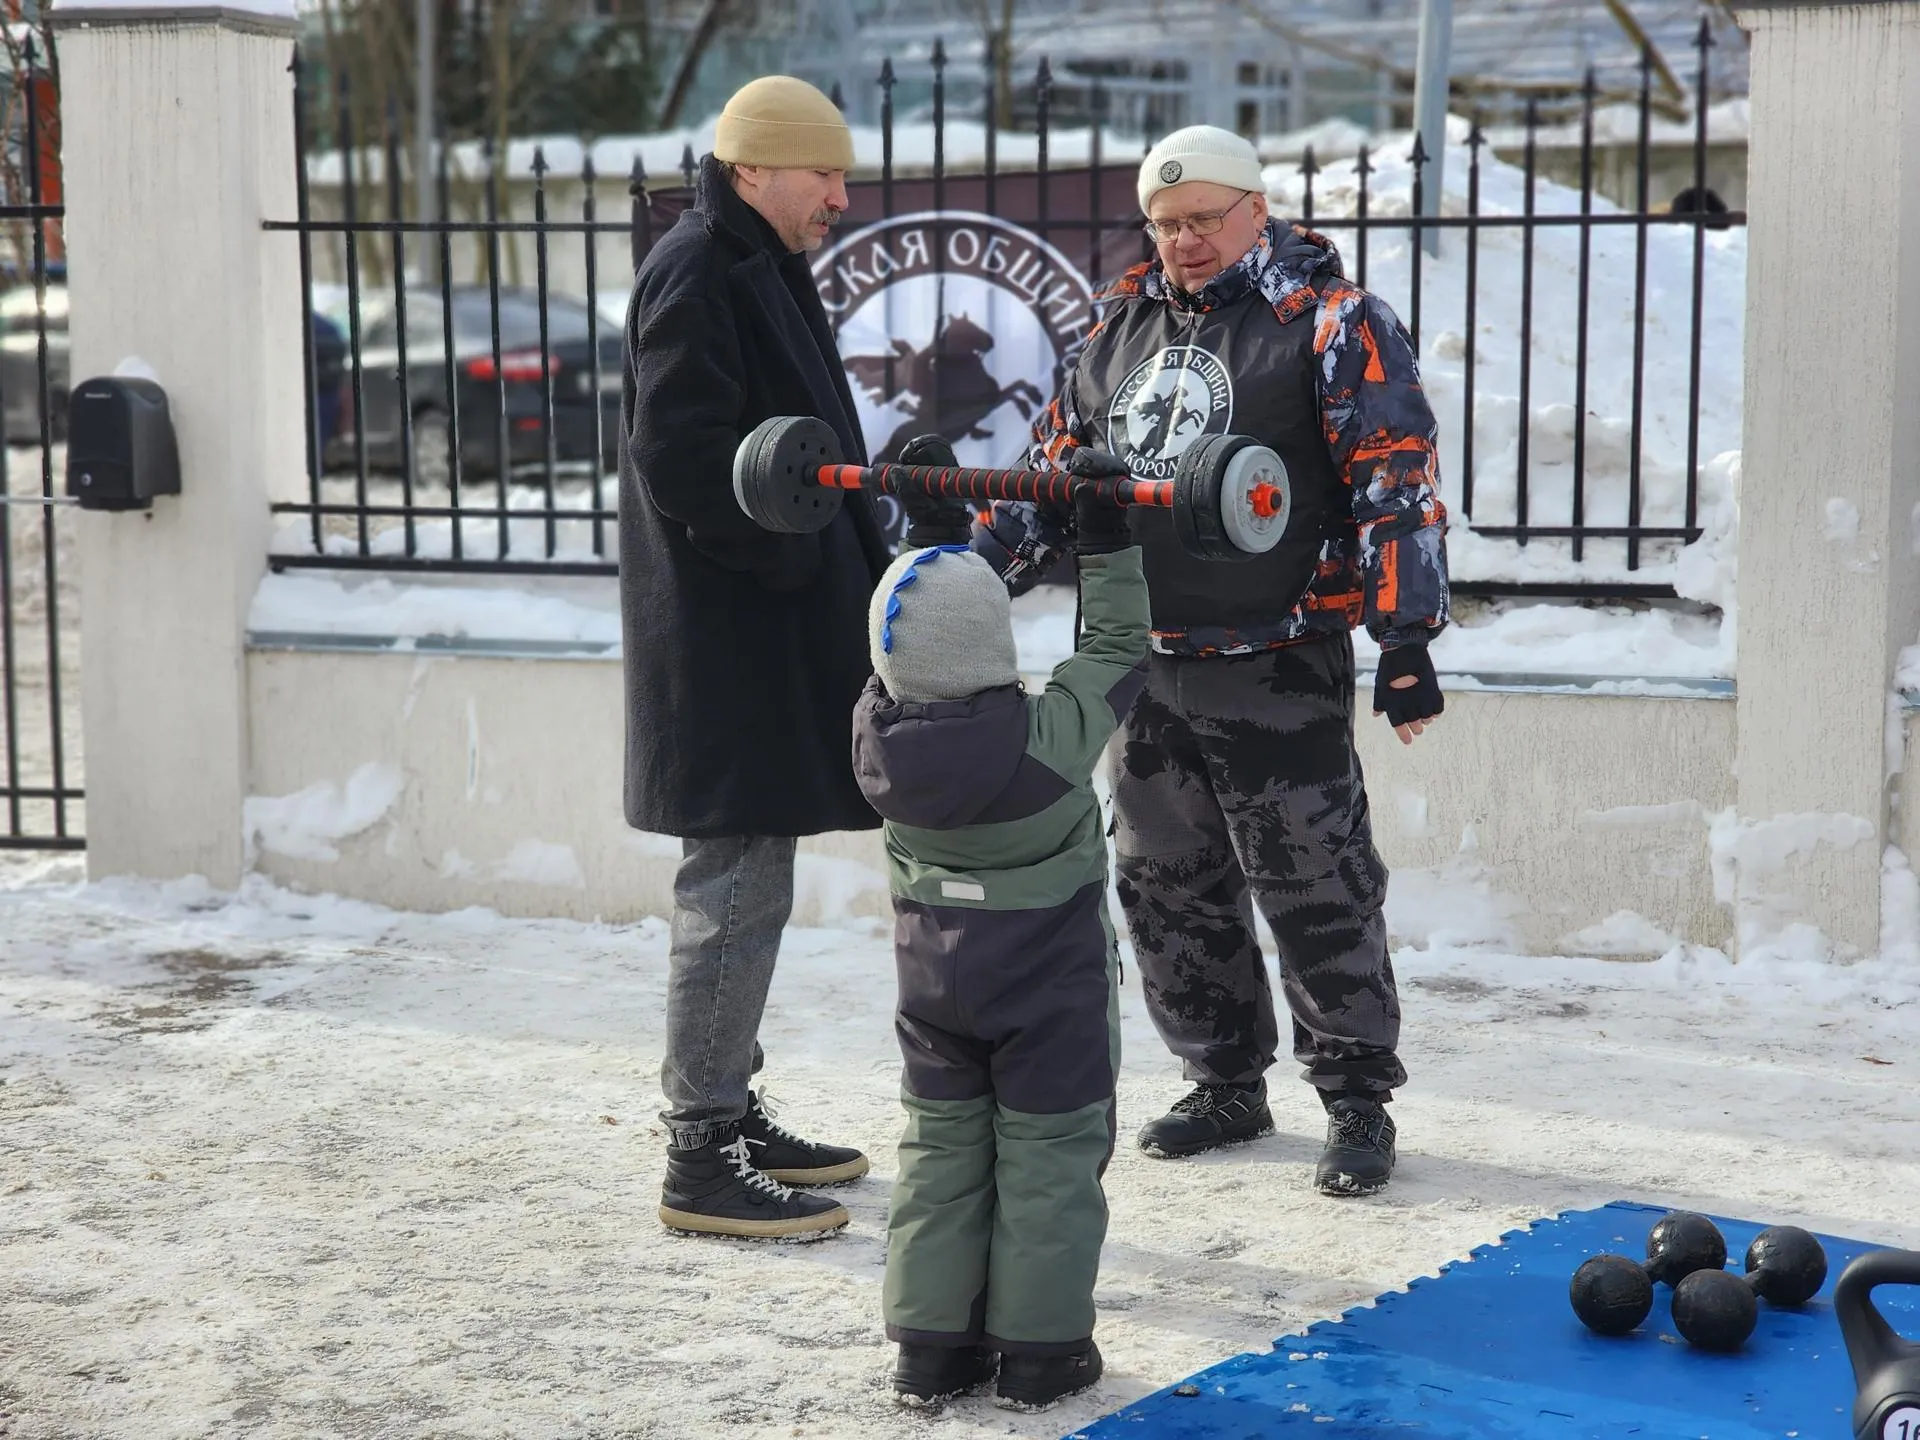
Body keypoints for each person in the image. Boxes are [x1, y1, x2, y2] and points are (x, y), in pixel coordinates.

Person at [972, 124, 1450, 1197]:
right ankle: (1223, 1078)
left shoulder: (1332, 324)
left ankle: (1357, 1097)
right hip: (1142, 660)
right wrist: (967, 586)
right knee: (1164, 882)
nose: (1184, 241)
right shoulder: (1117, 328)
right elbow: (1051, 474)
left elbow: (1396, 478)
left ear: (1255, 211)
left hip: (1275, 657)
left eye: (1204, 220)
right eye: (1166, 222)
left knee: (1316, 880)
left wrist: (1405, 640)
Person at [620, 75, 892, 1240]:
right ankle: (700, 1154)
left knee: (750, 878)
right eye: (824, 173)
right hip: (726, 643)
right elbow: (683, 462)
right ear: (756, 169)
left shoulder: (757, 261)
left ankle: (728, 1111)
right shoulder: (698, 270)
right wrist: (792, 571)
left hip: (755, 634)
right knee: (730, 887)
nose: (840, 195)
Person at [853, 458, 1147, 1411]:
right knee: (1049, 1160)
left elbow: (907, 634)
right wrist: (1108, 535)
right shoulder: (1047, 739)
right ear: (992, 644)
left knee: (941, 1151)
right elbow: (1119, 646)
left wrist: (932, 526)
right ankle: (1040, 1354)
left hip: (935, 988)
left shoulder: (876, 739)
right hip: (1048, 992)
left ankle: (930, 1353)